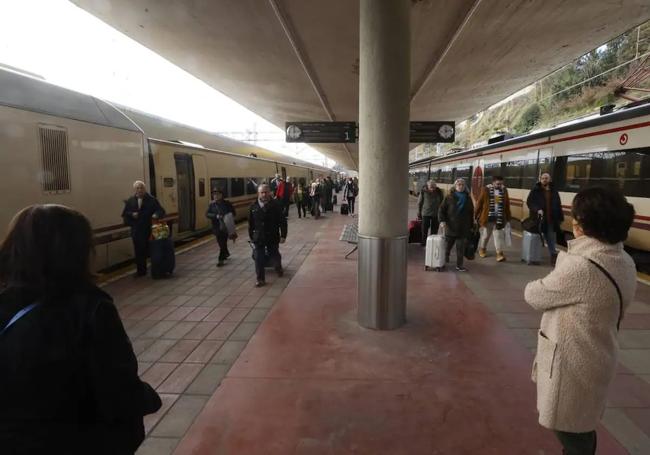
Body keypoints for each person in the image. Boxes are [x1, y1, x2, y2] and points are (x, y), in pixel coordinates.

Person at [0, 204, 161, 454]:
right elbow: (118, 391)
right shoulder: (92, 310)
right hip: (76, 441)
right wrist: (149, 398)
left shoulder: (6, 305)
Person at [524, 187, 637, 455]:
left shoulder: (582, 266)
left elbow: (534, 294)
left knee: (571, 431)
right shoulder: (623, 260)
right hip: (597, 353)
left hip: (572, 364)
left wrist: (568, 259)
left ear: (583, 225)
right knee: (581, 424)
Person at [121, 181, 165, 277]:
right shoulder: (130, 201)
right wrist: (132, 214)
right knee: (139, 252)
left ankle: (156, 271)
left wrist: (156, 215)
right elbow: (124, 214)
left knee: (152, 251)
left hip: (150, 230)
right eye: (137, 188)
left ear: (145, 189)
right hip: (137, 231)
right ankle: (141, 271)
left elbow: (161, 210)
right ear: (135, 190)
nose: (140, 190)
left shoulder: (152, 200)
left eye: (141, 188)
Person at [248, 184, 287, 287]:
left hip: (272, 235)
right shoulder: (253, 206)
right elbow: (251, 224)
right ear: (258, 193)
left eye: (266, 192)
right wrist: (251, 237)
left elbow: (282, 221)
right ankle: (260, 279)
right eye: (262, 192)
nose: (264, 194)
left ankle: (278, 267)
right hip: (259, 237)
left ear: (269, 192)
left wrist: (283, 235)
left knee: (274, 254)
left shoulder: (276, 205)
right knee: (258, 258)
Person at [527, 172, 564, 264]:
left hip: (551, 219)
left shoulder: (554, 191)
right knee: (537, 238)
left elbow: (558, 205)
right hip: (538, 219)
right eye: (543, 178)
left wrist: (560, 218)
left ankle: (553, 255)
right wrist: (537, 209)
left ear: (550, 179)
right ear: (540, 179)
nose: (544, 180)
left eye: (546, 178)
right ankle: (534, 258)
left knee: (551, 238)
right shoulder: (535, 190)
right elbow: (530, 202)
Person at [438, 178, 475, 272]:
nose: (461, 186)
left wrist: (471, 226)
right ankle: (444, 260)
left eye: (462, 184)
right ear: (455, 186)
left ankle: (459, 265)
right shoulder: (449, 197)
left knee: (460, 249)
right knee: (447, 247)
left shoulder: (468, 198)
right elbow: (441, 210)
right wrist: (442, 221)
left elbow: (471, 213)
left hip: (463, 227)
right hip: (451, 227)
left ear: (465, 186)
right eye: (459, 184)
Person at [475, 175, 512, 262]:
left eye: (501, 184)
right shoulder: (486, 190)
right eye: (498, 184)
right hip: (488, 217)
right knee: (486, 236)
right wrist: (476, 215)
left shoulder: (504, 190)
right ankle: (482, 249)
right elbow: (479, 203)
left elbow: (507, 204)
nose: (500, 185)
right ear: (493, 183)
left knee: (498, 236)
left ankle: (499, 254)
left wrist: (508, 217)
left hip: (499, 217)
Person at [206, 189, 237, 267]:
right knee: (221, 243)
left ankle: (221, 259)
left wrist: (227, 216)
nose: (215, 196)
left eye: (217, 194)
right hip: (217, 227)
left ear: (221, 195)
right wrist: (216, 216)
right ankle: (226, 253)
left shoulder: (227, 203)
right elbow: (207, 214)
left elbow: (234, 213)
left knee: (223, 242)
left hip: (226, 226)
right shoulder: (212, 205)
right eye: (214, 194)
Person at [417, 180, 444, 245]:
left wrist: (442, 213)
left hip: (436, 213)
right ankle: (423, 242)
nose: (432, 189)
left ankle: (432, 242)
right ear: (428, 186)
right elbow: (419, 203)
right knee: (424, 229)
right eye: (431, 187)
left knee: (434, 229)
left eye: (434, 187)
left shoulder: (439, 192)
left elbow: (442, 202)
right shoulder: (423, 191)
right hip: (426, 213)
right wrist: (419, 213)